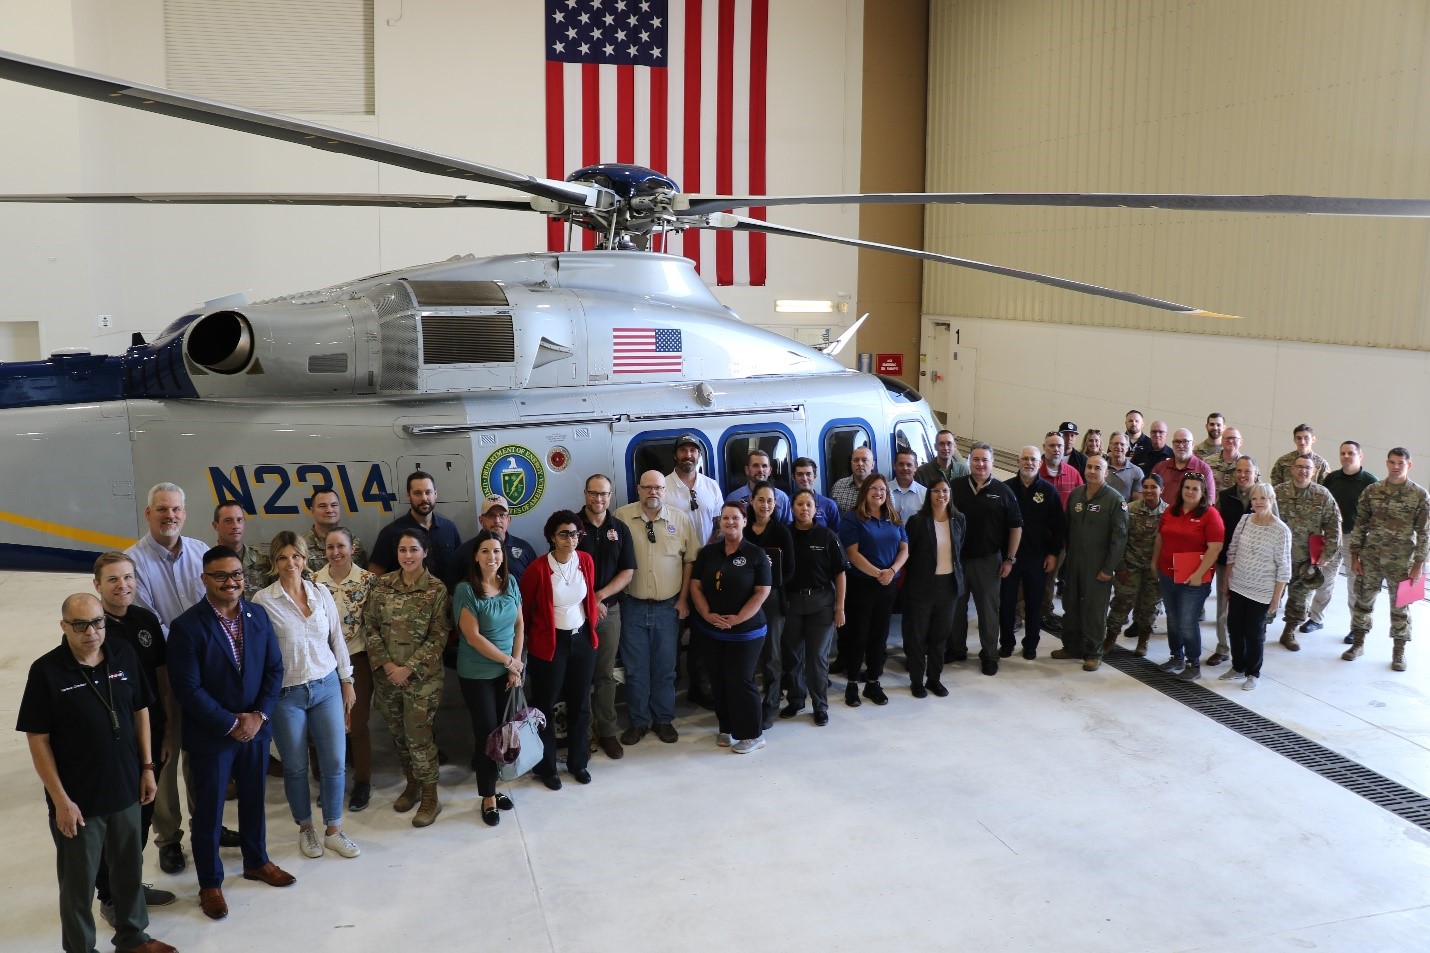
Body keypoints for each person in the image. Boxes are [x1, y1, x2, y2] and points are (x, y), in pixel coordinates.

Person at [18, 592, 176, 953]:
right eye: (80, 625)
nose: (91, 632)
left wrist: (148, 768)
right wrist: (60, 800)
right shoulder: (47, 671)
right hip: (78, 800)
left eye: (97, 622)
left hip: (126, 788)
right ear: (64, 626)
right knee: (78, 885)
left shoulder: (124, 656)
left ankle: (134, 938)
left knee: (128, 873)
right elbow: (38, 739)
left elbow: (140, 712)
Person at [168, 546, 293, 921]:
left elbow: (274, 669)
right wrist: (230, 722)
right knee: (209, 812)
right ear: (204, 580)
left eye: (236, 574)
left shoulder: (258, 615)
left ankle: (256, 860)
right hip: (212, 736)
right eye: (221, 575)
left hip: (255, 731)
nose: (231, 581)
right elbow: (187, 689)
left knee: (255, 798)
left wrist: (258, 716)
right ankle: (210, 883)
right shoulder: (187, 627)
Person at [253, 532, 360, 860]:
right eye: (283, 558)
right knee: (296, 767)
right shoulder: (263, 601)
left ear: (305, 559)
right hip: (287, 694)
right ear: (275, 562)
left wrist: (347, 680)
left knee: (335, 762)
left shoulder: (320, 592)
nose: (290, 563)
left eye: (296, 556)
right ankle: (306, 828)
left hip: (326, 685)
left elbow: (337, 639)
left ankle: (333, 829)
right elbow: (259, 654)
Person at [125, 483, 206, 876]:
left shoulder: (201, 551)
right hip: (163, 672)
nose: (169, 515)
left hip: (205, 672)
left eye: (176, 509)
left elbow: (213, 604)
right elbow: (149, 623)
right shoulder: (133, 562)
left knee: (201, 752)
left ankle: (205, 824)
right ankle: (169, 839)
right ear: (148, 514)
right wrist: (194, 644)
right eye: (161, 509)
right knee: (166, 755)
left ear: (184, 513)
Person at [90, 554, 176, 922]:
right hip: (111, 740)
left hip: (151, 733)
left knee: (142, 813)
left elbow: (162, 677)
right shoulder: (91, 627)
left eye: (128, 577)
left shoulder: (145, 620)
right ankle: (109, 896)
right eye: (112, 579)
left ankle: (129, 883)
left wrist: (169, 728)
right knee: (112, 821)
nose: (122, 585)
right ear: (97, 585)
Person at [362, 527, 452, 826]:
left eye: (414, 549)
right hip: (387, 678)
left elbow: (439, 636)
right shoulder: (382, 584)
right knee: (399, 736)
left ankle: (430, 795)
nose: (408, 556)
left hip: (421, 679)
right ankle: (412, 783)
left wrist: (408, 668)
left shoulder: (436, 589)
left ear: (425, 552)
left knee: (418, 737)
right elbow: (370, 626)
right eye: (403, 550)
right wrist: (388, 666)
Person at [613, 471, 700, 745]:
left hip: (668, 608)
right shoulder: (621, 517)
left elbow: (690, 561)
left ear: (665, 490)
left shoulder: (680, 519)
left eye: (658, 488)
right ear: (638, 489)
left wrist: (684, 600)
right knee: (636, 668)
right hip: (632, 606)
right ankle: (639, 722)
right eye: (647, 487)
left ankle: (663, 719)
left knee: (665, 668)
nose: (653, 492)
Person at [521, 512, 601, 788]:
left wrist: (590, 635)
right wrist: (524, 647)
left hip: (582, 642)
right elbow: (525, 611)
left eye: (575, 533)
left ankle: (578, 762)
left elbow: (588, 599)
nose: (571, 539)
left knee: (580, 703)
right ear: (552, 537)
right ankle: (546, 767)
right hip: (550, 644)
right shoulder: (538, 569)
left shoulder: (586, 562)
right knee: (544, 706)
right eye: (564, 534)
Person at [452, 530, 523, 826]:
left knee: (505, 733)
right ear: (476, 557)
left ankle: (495, 784)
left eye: (496, 551)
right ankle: (488, 796)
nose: (491, 557)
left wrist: (515, 666)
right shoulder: (466, 590)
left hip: (507, 672)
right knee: (487, 735)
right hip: (478, 673)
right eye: (485, 551)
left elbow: (520, 626)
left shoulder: (511, 583)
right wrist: (508, 661)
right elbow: (473, 637)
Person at [690, 502, 773, 753]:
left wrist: (737, 619)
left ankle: (752, 735)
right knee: (718, 680)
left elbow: (762, 592)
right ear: (720, 522)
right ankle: (726, 728)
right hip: (712, 629)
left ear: (745, 521)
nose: (730, 522)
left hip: (746, 632)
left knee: (740, 680)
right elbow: (695, 586)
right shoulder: (708, 553)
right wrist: (706, 613)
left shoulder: (756, 554)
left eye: (735, 518)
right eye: (725, 518)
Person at [1345, 448, 1430, 671]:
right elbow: (1360, 525)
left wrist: (1419, 565)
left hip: (1403, 561)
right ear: (1387, 463)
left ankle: (1399, 652)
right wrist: (1355, 556)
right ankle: (1358, 643)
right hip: (1371, 557)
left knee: (1401, 607)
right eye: (1392, 462)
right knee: (1363, 602)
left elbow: (1424, 532)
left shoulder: (1419, 495)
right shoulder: (1372, 491)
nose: (1395, 466)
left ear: (1409, 465)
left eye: (1400, 463)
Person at [313, 527, 377, 813]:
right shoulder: (313, 582)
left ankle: (362, 781)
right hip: (324, 663)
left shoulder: (368, 581)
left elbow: (374, 622)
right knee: (328, 727)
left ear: (352, 548)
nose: (336, 552)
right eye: (330, 547)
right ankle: (331, 783)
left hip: (357, 658)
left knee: (358, 723)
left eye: (341, 546)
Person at [575, 474, 636, 760]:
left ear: (611, 496)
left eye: (604, 494)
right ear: (585, 493)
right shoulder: (571, 527)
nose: (598, 499)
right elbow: (563, 569)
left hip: (609, 612)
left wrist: (599, 597)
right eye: (593, 493)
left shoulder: (620, 529)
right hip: (576, 614)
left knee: (605, 675)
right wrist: (588, 601)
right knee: (579, 677)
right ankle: (582, 735)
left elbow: (627, 572)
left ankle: (608, 731)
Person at [949, 443, 1023, 674]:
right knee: (956, 610)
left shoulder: (1003, 491)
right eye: (976, 459)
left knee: (988, 611)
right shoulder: (954, 487)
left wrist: (1010, 559)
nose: (980, 464)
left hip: (989, 562)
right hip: (958, 561)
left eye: (985, 460)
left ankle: (990, 654)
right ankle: (956, 649)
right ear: (969, 461)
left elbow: (1016, 526)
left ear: (992, 463)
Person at [1052, 453, 1128, 671]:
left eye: (1098, 468)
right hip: (1074, 562)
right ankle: (1071, 647)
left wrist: (1108, 568)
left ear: (1106, 472)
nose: (1092, 471)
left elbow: (1119, 538)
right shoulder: (1076, 495)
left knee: (1094, 610)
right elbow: (1067, 529)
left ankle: (1094, 652)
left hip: (1098, 566)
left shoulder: (1115, 500)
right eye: (1089, 467)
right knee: (1071, 605)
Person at [838, 473, 909, 705]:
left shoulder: (894, 517)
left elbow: (904, 549)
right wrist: (879, 573)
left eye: (882, 490)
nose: (879, 493)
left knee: (880, 636)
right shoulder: (852, 518)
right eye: (874, 489)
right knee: (858, 636)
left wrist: (891, 571)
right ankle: (851, 684)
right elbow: (852, 554)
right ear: (865, 493)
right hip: (861, 586)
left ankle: (872, 683)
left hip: (887, 586)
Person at [779, 489, 847, 725]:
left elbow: (840, 573)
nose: (804, 508)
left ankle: (820, 705)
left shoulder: (827, 535)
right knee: (792, 657)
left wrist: (840, 607)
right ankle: (796, 700)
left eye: (808, 504)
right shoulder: (784, 535)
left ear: (816, 509)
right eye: (799, 504)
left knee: (817, 658)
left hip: (821, 604)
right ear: (792, 507)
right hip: (792, 604)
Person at [1152, 473, 1225, 680]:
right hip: (1168, 574)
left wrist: (1198, 574)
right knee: (1173, 619)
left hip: (1194, 579)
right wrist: (1154, 563)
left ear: (1203, 493)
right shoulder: (1170, 511)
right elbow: (1160, 538)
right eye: (1187, 488)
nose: (1190, 492)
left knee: (1187, 621)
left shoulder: (1210, 515)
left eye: (1195, 489)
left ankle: (1193, 663)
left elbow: (1215, 547)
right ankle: (1177, 657)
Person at [1220, 482, 1292, 691]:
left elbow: (1284, 569)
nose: (1258, 502)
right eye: (1254, 498)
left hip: (1261, 592)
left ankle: (1253, 672)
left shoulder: (1281, 530)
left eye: (1263, 498)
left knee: (1254, 632)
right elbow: (1232, 552)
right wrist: (1226, 581)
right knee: (1234, 627)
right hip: (1238, 585)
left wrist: (1276, 598)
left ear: (1272, 500)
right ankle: (1238, 666)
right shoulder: (1244, 521)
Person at [902, 479, 966, 696]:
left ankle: (934, 679)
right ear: (929, 494)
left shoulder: (959, 519)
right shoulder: (917, 521)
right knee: (917, 637)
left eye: (945, 491)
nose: (941, 495)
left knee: (940, 637)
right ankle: (916, 680)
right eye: (936, 491)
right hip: (921, 588)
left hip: (948, 587)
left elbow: (959, 551)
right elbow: (908, 555)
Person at [1274, 454, 1342, 651]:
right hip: (1278, 558)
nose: (1303, 470)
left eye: (1307, 468)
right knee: (1269, 596)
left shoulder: (1323, 495)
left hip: (1305, 560)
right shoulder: (1278, 493)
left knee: (1300, 600)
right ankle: (1260, 627)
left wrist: (1325, 556)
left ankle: (1289, 632)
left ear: (1314, 472)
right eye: (1299, 466)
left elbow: (1333, 526)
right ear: (1292, 469)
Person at [1001, 445, 1063, 660]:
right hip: (1010, 558)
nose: (1029, 463)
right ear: (1018, 462)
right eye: (1025, 459)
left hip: (1037, 558)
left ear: (1040, 463)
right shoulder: (1006, 488)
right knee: (1007, 603)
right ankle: (1007, 643)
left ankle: (1030, 644)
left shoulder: (1048, 491)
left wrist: (1053, 553)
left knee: (1034, 604)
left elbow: (1058, 526)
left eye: (1033, 460)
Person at [1311, 441, 1377, 641]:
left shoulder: (1369, 481)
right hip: (1330, 537)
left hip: (1355, 540)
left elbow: (1376, 513)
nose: (1346, 457)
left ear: (1360, 456)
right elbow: (1321, 504)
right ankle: (1315, 618)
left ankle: (1356, 627)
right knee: (1324, 580)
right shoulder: (1332, 478)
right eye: (1343, 453)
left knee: (1355, 584)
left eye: (1351, 453)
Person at [744, 483, 795, 729]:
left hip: (773, 600)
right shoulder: (743, 529)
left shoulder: (782, 532)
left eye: (770, 501)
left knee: (772, 655)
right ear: (752, 501)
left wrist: (768, 580)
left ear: (776, 505)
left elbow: (790, 570)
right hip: (745, 600)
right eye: (761, 500)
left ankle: (771, 704)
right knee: (749, 654)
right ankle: (748, 703)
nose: (765, 505)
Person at [1105, 474, 1167, 656]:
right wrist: (1121, 565)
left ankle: (1143, 641)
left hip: (1154, 569)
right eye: (1145, 486)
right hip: (1129, 566)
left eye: (1153, 487)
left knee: (1150, 606)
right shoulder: (1129, 509)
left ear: (1161, 490)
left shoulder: (1169, 513)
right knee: (1121, 603)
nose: (1148, 490)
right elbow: (1119, 538)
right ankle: (1110, 639)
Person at [1206, 456, 1259, 666]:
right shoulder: (1224, 496)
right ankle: (1222, 648)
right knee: (1222, 606)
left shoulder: (1264, 497)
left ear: (1255, 473)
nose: (1242, 475)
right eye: (1239, 470)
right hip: (1226, 561)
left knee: (1248, 609)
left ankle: (1245, 648)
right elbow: (1216, 527)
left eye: (1247, 471)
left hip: (1254, 565)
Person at [367, 471, 462, 582]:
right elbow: (375, 576)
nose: (424, 498)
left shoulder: (449, 528)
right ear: (408, 496)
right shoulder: (390, 532)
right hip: (405, 598)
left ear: (435, 494)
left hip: (445, 597)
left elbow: (460, 567)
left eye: (428, 492)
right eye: (417, 493)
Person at [1038, 430, 1083, 631]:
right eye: (1052, 446)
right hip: (1036, 537)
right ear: (1044, 448)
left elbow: (1081, 502)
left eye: (1059, 446)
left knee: (1050, 578)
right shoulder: (1036, 473)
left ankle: (1044, 613)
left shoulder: (1073, 474)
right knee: (1027, 577)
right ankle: (1020, 614)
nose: (1056, 449)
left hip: (1060, 540)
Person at [448, 495, 539, 591]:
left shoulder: (525, 549)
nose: (497, 520)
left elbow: (536, 588)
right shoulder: (463, 552)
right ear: (481, 520)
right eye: (491, 515)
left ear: (509, 519)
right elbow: (452, 593)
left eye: (502, 515)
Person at [665, 432, 722, 542]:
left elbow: (719, 524)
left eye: (693, 450)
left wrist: (710, 550)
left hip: (707, 556)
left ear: (699, 455)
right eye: (683, 450)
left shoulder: (712, 485)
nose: (688, 455)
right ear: (675, 455)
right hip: (675, 557)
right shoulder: (662, 487)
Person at [212, 502, 269, 598]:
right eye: (228, 521)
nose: (235, 526)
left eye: (239, 520)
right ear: (215, 525)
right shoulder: (209, 563)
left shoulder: (263, 560)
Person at [303, 488, 368, 573]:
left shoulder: (354, 541)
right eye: (322, 506)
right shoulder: (302, 546)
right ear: (312, 511)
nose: (329, 510)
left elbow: (363, 576)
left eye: (334, 505)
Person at [1153, 429, 1219, 505]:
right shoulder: (1159, 468)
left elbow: (1209, 503)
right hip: (1162, 516)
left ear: (1193, 444)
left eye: (1185, 441)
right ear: (1172, 444)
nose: (1181, 446)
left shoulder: (1204, 469)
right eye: (1177, 442)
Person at [727, 449, 793, 523]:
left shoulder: (781, 498)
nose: (760, 470)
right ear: (747, 470)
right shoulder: (733, 498)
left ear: (769, 471)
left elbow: (787, 527)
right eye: (755, 465)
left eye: (764, 466)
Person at [790, 456, 842, 528]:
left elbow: (835, 535)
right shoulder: (787, 503)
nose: (804, 478)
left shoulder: (829, 505)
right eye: (800, 474)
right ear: (793, 477)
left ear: (814, 476)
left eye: (808, 474)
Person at [830, 446, 874, 512]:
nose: (860, 464)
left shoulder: (882, 489)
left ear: (873, 465)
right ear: (851, 464)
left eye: (864, 460)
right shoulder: (838, 486)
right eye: (856, 460)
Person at [888, 449, 928, 524]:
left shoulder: (925, 494)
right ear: (894, 466)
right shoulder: (883, 491)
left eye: (909, 465)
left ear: (915, 467)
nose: (905, 468)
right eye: (901, 464)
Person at [1105, 432, 1144, 503]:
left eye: (1122, 444)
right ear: (1110, 446)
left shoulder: (1136, 471)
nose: (1119, 447)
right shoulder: (1101, 469)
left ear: (1127, 448)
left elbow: (1138, 502)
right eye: (1115, 443)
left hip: (1126, 512)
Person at [1208, 427, 1243, 496]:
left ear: (1241, 442)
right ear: (1221, 441)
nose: (1230, 441)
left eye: (1234, 438)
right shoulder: (1208, 462)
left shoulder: (1247, 465)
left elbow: (1256, 490)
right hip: (1212, 505)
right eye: (1227, 438)